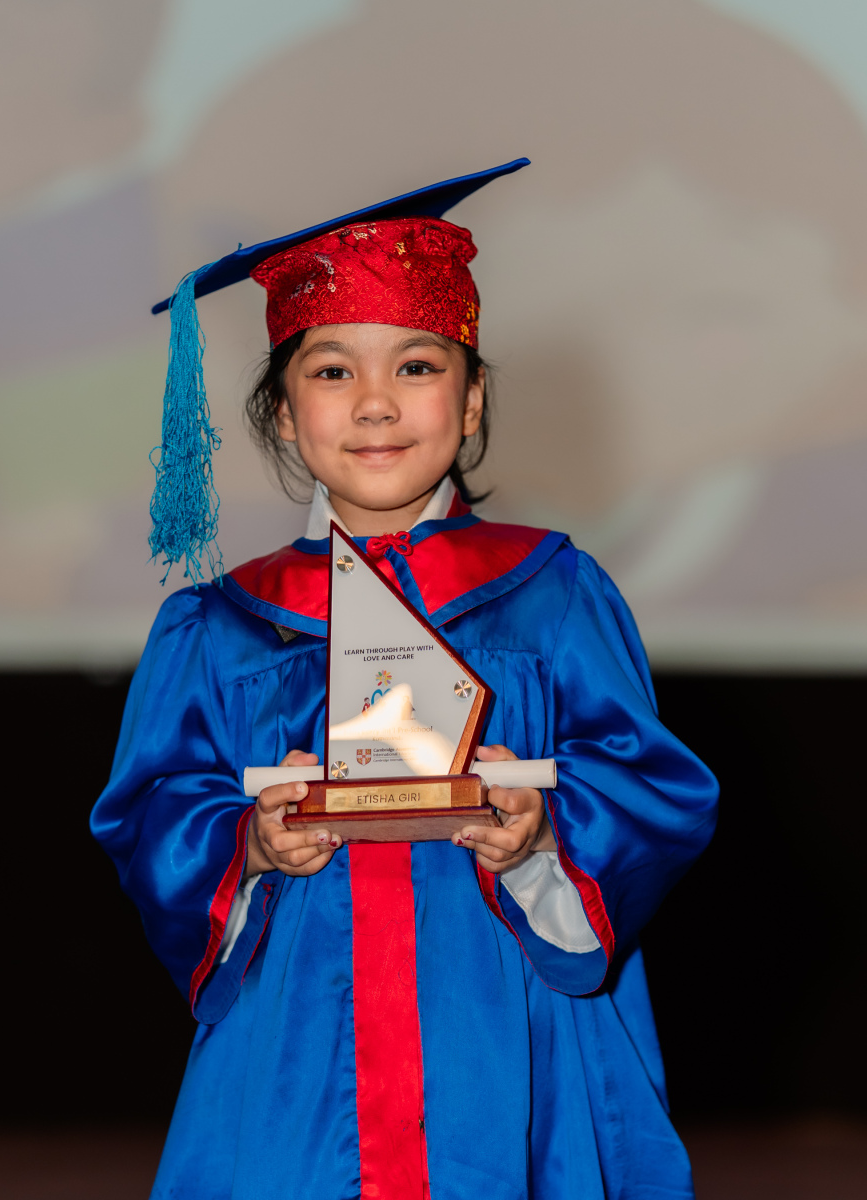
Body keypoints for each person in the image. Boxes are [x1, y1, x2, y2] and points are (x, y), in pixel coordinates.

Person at [91, 160, 719, 1200]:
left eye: (417, 367)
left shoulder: (549, 595)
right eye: (332, 371)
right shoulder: (220, 628)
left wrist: (543, 831)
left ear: (471, 403)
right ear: (281, 413)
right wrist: (249, 842)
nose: (376, 403)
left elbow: (654, 786)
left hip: (509, 1033)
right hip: (301, 1051)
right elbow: (152, 811)